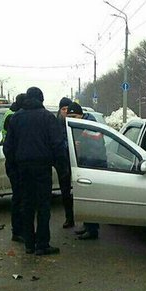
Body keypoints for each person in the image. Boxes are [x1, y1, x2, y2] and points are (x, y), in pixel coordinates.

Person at [3, 87, 67, 256]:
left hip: (22, 169)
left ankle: (29, 244)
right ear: (41, 99)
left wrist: (13, 166)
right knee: (43, 206)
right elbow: (58, 144)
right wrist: (61, 166)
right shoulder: (47, 117)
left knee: (27, 205)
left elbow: (8, 146)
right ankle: (42, 244)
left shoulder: (16, 118)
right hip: (42, 168)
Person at [66, 102, 101, 240]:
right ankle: (88, 225)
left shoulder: (89, 125)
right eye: (70, 116)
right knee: (85, 198)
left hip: (92, 165)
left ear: (81, 115)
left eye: (74, 116)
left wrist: (81, 143)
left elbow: (96, 145)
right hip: (83, 165)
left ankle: (93, 230)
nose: (72, 118)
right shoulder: (77, 125)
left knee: (90, 198)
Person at [2, 93, 26, 242]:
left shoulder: (11, 113)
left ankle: (18, 230)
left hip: (12, 161)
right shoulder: (14, 117)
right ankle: (17, 231)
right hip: (15, 163)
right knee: (19, 199)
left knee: (19, 198)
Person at [55, 97, 75, 228]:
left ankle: (86, 220)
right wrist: (70, 145)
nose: (65, 112)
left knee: (81, 191)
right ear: (60, 110)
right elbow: (56, 142)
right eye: (63, 109)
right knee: (65, 192)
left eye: (67, 109)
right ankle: (69, 217)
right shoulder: (56, 124)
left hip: (78, 163)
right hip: (63, 162)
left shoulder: (77, 121)